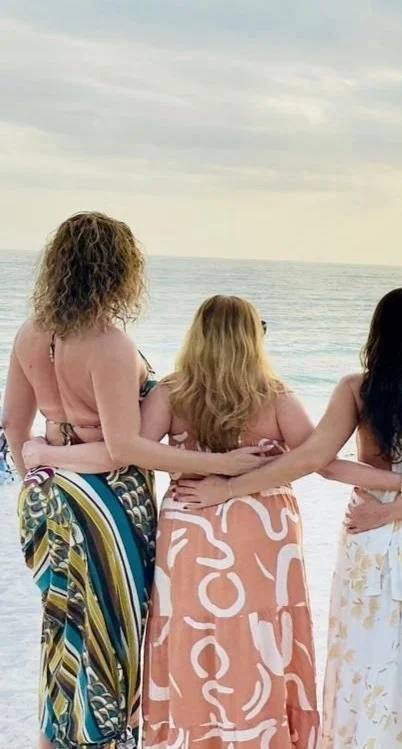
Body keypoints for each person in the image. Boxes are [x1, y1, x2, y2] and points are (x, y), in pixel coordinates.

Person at [31, 296, 402, 748]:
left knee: (191, 632)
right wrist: (400, 482)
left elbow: (131, 455)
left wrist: (51, 452)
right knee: (262, 632)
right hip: (263, 530)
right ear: (251, 339)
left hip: (189, 525)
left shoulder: (172, 392)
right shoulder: (274, 396)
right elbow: (321, 461)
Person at [2, 213, 269, 749]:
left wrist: (41, 469)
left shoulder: (31, 331)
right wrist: (222, 465)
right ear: (118, 271)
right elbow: (122, 449)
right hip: (105, 501)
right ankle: (103, 740)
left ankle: (53, 738)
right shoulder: (110, 344)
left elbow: (13, 424)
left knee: (63, 625)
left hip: (44, 494)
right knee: (114, 633)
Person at [176, 287, 402, 748]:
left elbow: (315, 460)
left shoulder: (355, 389)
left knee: (366, 648)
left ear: (376, 332)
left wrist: (231, 487)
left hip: (366, 526)